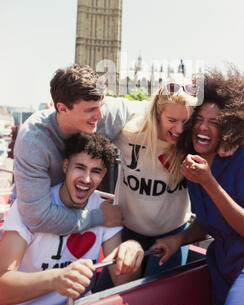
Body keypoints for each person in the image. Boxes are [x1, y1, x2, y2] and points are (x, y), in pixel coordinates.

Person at [151, 70, 244, 305]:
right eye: (198, 119)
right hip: (223, 268)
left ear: (230, 127)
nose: (202, 128)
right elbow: (209, 220)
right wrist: (177, 240)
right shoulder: (194, 163)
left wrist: (209, 182)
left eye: (214, 122)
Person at [99, 79, 235, 283]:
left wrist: (232, 138)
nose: (179, 129)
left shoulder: (193, 144)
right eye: (172, 120)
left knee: (159, 298)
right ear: (157, 114)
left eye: (186, 122)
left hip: (171, 238)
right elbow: (92, 111)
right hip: (127, 233)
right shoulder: (130, 133)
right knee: (105, 297)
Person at [0, 133, 144, 305]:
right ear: (65, 165)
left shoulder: (103, 209)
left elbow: (124, 282)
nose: (86, 179)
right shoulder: (30, 206)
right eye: (80, 167)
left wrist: (130, 251)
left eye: (96, 171)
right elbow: (2, 287)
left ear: (104, 174)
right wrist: (54, 279)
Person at [13, 64, 146, 235]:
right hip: (34, 232)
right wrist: (98, 217)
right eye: (90, 110)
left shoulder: (101, 113)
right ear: (62, 108)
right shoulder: (34, 139)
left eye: (101, 105)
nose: (100, 116)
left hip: (77, 218)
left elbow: (156, 109)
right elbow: (38, 218)